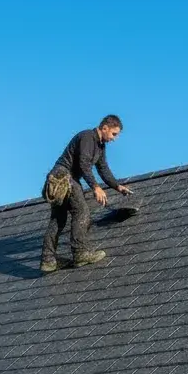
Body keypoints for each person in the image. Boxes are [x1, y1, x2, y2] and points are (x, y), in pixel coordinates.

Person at [41, 115, 133, 273]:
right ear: (104, 128)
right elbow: (84, 164)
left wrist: (117, 186)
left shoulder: (100, 146)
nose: (114, 139)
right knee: (82, 212)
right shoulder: (87, 137)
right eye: (114, 134)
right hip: (64, 177)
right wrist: (96, 187)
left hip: (61, 178)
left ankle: (48, 260)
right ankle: (80, 253)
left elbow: (103, 169)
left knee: (58, 220)